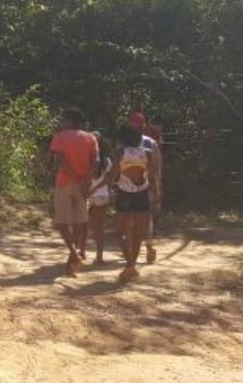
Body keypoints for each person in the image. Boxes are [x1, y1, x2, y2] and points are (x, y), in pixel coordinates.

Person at [104, 122, 161, 284]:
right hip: (143, 194)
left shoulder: (120, 152)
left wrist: (106, 187)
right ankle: (132, 265)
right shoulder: (148, 153)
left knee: (119, 232)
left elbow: (114, 173)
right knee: (138, 234)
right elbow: (153, 175)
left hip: (124, 195)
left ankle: (129, 264)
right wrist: (156, 194)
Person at [48, 107, 99, 276]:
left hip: (64, 183)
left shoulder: (60, 137)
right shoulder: (91, 138)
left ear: (69, 120)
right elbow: (95, 162)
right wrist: (87, 181)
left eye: (63, 119)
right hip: (84, 185)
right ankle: (74, 256)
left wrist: (76, 178)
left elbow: (61, 163)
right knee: (79, 222)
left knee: (63, 222)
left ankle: (74, 253)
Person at [129, 112, 164, 263]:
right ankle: (148, 247)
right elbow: (157, 166)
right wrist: (157, 186)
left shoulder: (125, 142)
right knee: (145, 218)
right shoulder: (150, 142)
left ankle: (134, 250)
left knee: (131, 218)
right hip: (144, 185)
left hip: (130, 186)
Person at [86, 132, 114, 265]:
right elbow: (107, 180)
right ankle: (99, 255)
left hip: (87, 194)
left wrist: (90, 189)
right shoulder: (107, 160)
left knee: (83, 225)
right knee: (100, 227)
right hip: (102, 195)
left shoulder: (85, 158)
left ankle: (81, 252)